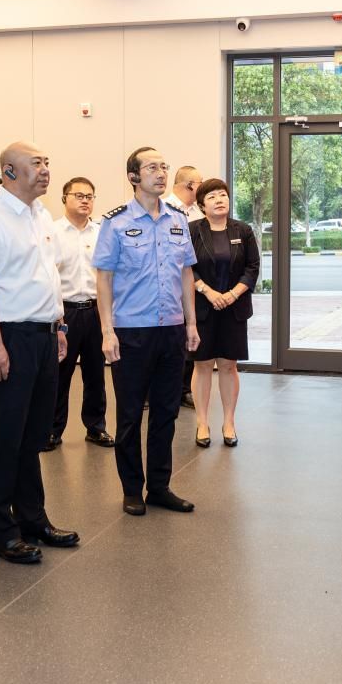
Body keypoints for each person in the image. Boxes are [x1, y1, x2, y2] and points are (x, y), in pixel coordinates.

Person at [0, 141, 78, 564]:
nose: (46, 169)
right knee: (5, 440)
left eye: (47, 162)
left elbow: (48, 275)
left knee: (33, 438)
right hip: (10, 338)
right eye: (36, 163)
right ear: (9, 171)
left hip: (45, 337)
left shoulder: (40, 214)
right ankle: (1, 533)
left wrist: (59, 326)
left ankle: (33, 520)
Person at [93, 147, 200, 516]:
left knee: (166, 413)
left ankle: (159, 486)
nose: (161, 172)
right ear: (133, 177)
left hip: (171, 329)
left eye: (164, 166)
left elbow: (186, 273)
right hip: (131, 331)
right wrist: (107, 331)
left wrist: (191, 323)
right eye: (152, 167)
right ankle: (131, 489)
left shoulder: (178, 219)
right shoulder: (115, 222)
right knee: (129, 415)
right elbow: (104, 279)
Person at [187, 178, 259, 448]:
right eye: (212, 196)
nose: (219, 200)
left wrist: (232, 294)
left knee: (229, 365)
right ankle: (202, 423)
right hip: (202, 308)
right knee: (203, 364)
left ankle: (229, 422)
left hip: (233, 308)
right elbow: (186, 267)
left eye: (223, 195)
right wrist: (208, 291)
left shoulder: (243, 230)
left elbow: (252, 267)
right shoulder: (192, 230)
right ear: (201, 205)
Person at [47, 176, 114, 450]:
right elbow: (48, 277)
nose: (85, 201)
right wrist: (56, 315)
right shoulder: (52, 232)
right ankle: (52, 430)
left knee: (96, 373)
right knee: (59, 374)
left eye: (89, 196)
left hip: (95, 311)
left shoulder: (101, 232)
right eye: (79, 195)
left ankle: (96, 427)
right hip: (65, 312)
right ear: (65, 199)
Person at [163, 165, 204, 409]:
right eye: (200, 183)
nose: (202, 187)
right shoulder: (164, 209)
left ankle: (183, 389)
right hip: (167, 286)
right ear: (190, 185)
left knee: (188, 338)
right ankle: (153, 392)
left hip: (190, 284)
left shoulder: (197, 214)